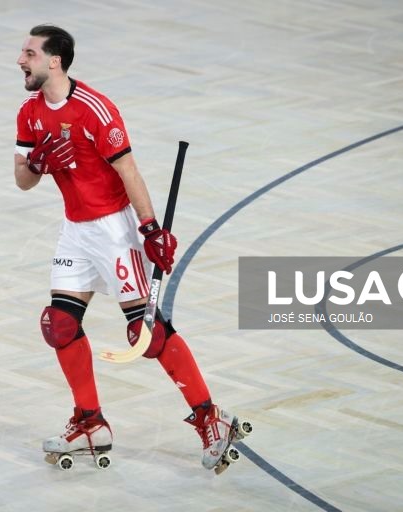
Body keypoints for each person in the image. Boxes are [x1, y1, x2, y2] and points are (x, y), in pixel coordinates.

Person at [14, 24, 242, 471]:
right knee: (59, 324)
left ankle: (210, 417)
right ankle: (90, 422)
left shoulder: (95, 110)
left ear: (54, 60)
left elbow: (129, 172)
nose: (21, 60)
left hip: (114, 231)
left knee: (147, 333)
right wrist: (38, 162)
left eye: (29, 53)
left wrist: (151, 229)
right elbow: (22, 179)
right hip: (75, 232)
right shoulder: (29, 113)